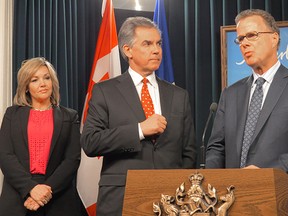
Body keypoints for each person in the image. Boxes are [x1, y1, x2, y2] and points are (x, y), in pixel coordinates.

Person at [81, 16, 197, 215]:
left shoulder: (179, 95)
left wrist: (179, 190)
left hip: (172, 200)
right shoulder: (105, 91)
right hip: (121, 198)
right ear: (127, 50)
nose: (156, 50)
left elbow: (189, 152)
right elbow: (91, 142)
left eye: (158, 44)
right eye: (147, 44)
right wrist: (139, 130)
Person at [206, 9, 288, 172]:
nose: (244, 43)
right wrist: (213, 180)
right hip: (233, 193)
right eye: (240, 38)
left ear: (274, 38)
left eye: (252, 35)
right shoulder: (230, 94)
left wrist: (268, 173)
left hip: (279, 191)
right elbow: (216, 147)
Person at [0, 57, 82, 216]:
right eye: (35, 80)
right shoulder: (12, 114)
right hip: (17, 198)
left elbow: (72, 159)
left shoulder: (70, 116)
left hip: (58, 197)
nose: (43, 84)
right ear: (26, 86)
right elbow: (5, 155)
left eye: (47, 78)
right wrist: (30, 188)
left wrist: (44, 192)